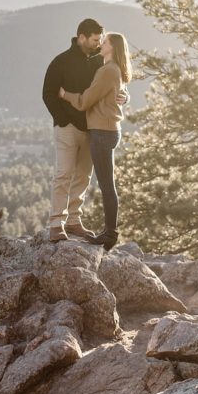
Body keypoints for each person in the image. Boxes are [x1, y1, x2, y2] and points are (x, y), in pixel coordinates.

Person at [60, 32, 132, 251]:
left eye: (105, 41)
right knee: (106, 184)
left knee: (107, 186)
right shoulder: (113, 70)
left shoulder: (107, 71)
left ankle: (110, 234)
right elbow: (116, 93)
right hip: (107, 131)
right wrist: (125, 96)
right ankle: (109, 232)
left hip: (102, 132)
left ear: (112, 47)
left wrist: (64, 94)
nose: (101, 43)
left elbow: (84, 102)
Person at [42, 18, 104, 242]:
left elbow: (110, 87)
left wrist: (123, 96)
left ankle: (74, 221)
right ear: (81, 38)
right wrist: (62, 120)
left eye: (100, 39)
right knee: (63, 174)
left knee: (83, 177)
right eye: (95, 40)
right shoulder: (61, 62)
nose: (99, 43)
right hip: (67, 128)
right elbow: (48, 94)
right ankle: (56, 223)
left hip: (91, 128)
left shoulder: (99, 62)